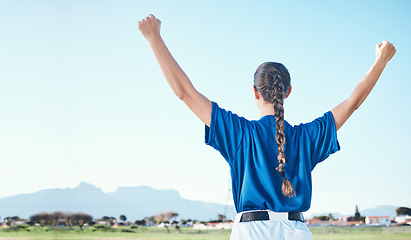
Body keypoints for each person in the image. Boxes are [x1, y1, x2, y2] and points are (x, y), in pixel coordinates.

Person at [138, 14, 396, 240]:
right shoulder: (306, 137)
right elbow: (352, 104)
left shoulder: (240, 133)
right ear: (288, 92)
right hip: (297, 231)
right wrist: (380, 60)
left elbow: (185, 93)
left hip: (251, 232)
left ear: (254, 92)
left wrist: (154, 38)